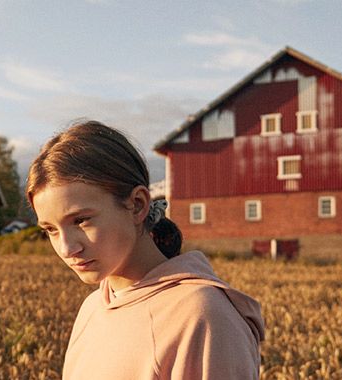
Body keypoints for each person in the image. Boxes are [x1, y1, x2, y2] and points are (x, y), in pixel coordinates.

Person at [26, 120, 265, 379]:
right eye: (50, 229)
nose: (67, 248)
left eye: (81, 220)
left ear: (138, 205)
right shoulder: (93, 307)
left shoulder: (201, 315)